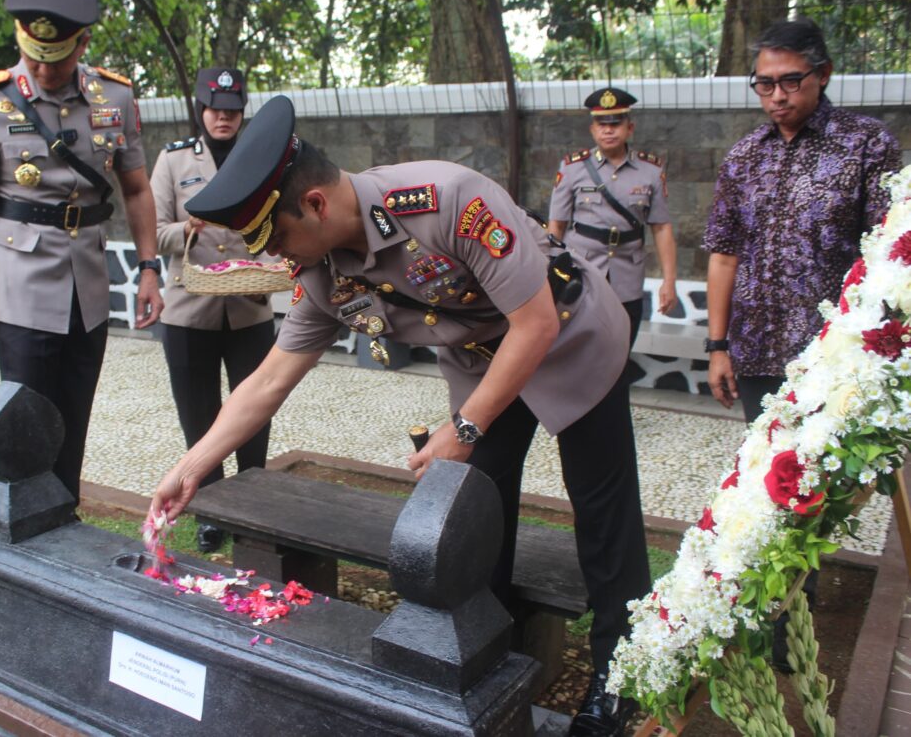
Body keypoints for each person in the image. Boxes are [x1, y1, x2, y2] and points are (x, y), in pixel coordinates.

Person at [150, 95, 651, 737]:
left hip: (569, 337)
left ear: (316, 204)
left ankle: (621, 674)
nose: (278, 260)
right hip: (477, 363)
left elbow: (535, 323)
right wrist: (191, 467)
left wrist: (464, 429)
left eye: (276, 239)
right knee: (478, 512)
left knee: (602, 511)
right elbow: (270, 377)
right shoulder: (323, 274)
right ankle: (486, 659)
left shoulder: (447, 200)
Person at [704, 17, 900, 671]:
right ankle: (763, 611)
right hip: (755, 349)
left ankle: (793, 624)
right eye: (765, 84)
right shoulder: (744, 156)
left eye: (791, 81)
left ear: (822, 74)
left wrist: (874, 352)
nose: (778, 95)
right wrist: (716, 344)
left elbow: (887, 255)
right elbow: (725, 254)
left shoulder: (866, 145)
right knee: (762, 486)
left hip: (830, 359)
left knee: (809, 490)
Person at [0, 0, 163, 508]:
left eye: (57, 59)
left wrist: (150, 269)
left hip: (85, 285)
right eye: (33, 56)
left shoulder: (114, 96)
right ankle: (22, 529)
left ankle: (63, 517)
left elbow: (136, 190)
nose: (43, 71)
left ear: (83, 43)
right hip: (19, 285)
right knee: (23, 417)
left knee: (73, 415)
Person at [152, 67, 275, 552]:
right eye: (216, 110)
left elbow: (274, 223)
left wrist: (269, 266)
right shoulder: (173, 160)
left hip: (251, 308)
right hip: (189, 312)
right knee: (199, 417)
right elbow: (156, 232)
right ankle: (210, 511)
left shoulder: (260, 158)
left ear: (242, 114)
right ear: (201, 110)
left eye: (233, 111)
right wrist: (188, 228)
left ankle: (255, 507)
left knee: (256, 414)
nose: (224, 118)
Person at [548, 87, 677, 350]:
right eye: (601, 124)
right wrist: (550, 274)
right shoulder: (572, 168)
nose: (608, 130)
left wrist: (669, 281)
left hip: (627, 275)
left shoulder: (650, 170)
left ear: (630, 128)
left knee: (620, 352)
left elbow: (661, 228)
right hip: (582, 271)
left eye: (616, 123)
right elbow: (557, 225)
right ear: (593, 129)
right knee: (578, 350)